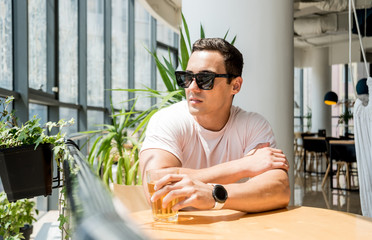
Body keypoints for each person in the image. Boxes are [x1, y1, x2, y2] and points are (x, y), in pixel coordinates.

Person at [139, 38, 290, 213]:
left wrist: (214, 195)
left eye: (205, 79)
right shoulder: (166, 120)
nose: (192, 88)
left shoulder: (253, 125)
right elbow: (158, 191)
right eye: (187, 78)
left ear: (235, 85)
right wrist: (243, 166)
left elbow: (279, 190)